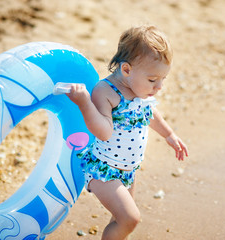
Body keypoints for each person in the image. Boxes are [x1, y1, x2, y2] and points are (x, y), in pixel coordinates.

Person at [66, 25, 189, 240]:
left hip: (128, 170)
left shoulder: (141, 90)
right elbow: (103, 132)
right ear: (126, 70)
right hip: (104, 170)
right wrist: (85, 103)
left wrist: (169, 134)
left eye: (163, 79)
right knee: (130, 219)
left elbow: (150, 113)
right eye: (153, 80)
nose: (159, 86)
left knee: (120, 221)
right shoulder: (106, 92)